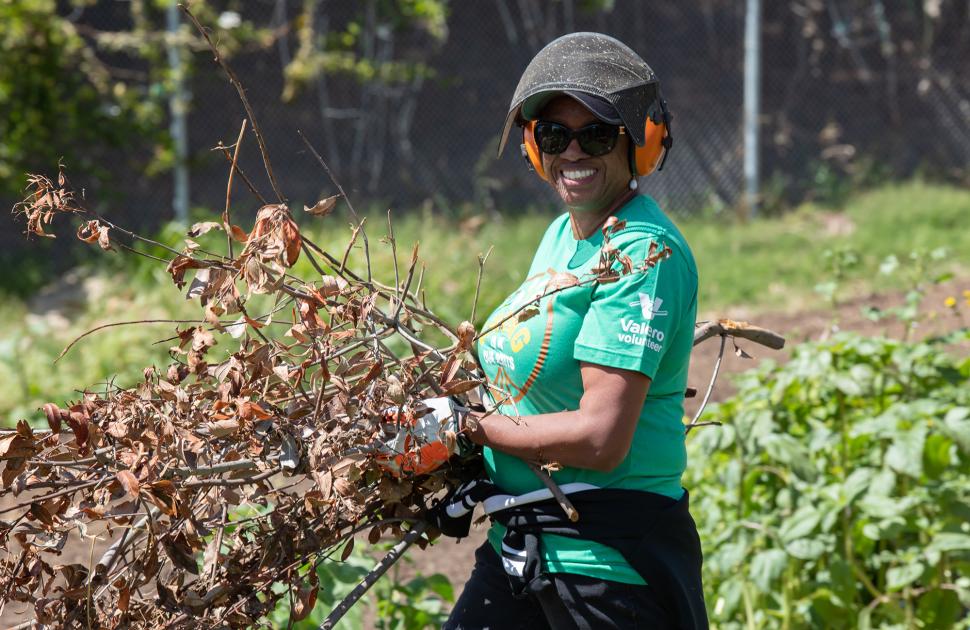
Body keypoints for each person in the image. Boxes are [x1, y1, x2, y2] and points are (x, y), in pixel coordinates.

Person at [441, 32, 706, 629]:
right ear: (535, 149)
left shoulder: (644, 256)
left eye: (598, 134)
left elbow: (600, 439)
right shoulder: (564, 236)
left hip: (607, 567)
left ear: (641, 142)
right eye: (556, 135)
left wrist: (466, 429)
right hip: (525, 541)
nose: (573, 153)